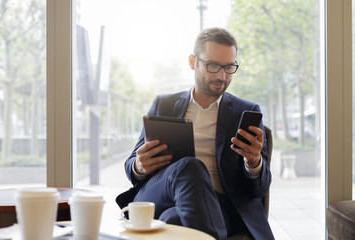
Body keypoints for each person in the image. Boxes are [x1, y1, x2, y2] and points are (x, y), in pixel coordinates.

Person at [116, 27, 274, 240]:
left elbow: (260, 188)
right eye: (213, 66)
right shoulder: (165, 104)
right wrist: (139, 165)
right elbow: (131, 167)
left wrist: (254, 162)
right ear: (193, 62)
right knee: (190, 166)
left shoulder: (245, 112)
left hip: (218, 205)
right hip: (162, 192)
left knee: (174, 219)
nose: (222, 75)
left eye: (229, 67)